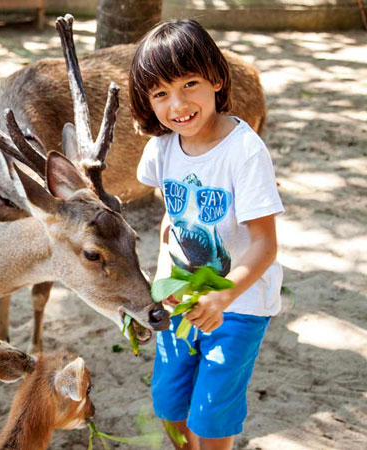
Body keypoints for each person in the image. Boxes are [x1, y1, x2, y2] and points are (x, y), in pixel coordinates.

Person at [129, 19, 283, 450]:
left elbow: (265, 244)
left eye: (189, 84)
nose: (177, 104)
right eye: (160, 93)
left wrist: (223, 297)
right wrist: (164, 280)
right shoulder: (161, 150)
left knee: (211, 414)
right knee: (169, 403)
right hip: (184, 297)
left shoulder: (244, 152)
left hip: (240, 302)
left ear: (216, 79)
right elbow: (171, 222)